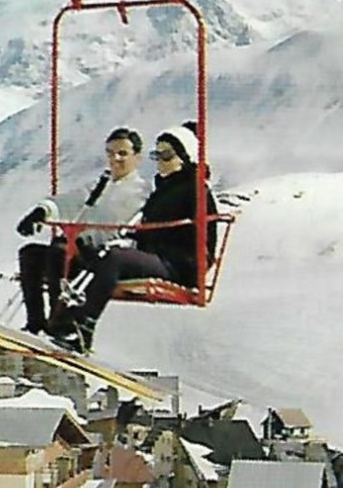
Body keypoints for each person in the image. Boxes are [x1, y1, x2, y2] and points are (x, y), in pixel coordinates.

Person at [47, 122, 219, 353]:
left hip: (179, 264)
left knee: (115, 258)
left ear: (184, 156)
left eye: (166, 154)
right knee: (92, 253)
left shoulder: (196, 190)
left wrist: (189, 259)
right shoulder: (164, 190)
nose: (160, 160)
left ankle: (82, 328)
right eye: (156, 154)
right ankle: (58, 320)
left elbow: (200, 234)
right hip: (157, 256)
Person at [14, 127, 148, 333]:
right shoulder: (101, 185)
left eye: (122, 153)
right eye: (110, 153)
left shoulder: (141, 192)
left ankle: (60, 322)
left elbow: (130, 228)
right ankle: (36, 322)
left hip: (102, 256)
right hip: (80, 251)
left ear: (137, 157)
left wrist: (88, 238)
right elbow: (70, 201)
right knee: (31, 254)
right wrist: (43, 211)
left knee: (59, 253)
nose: (115, 159)